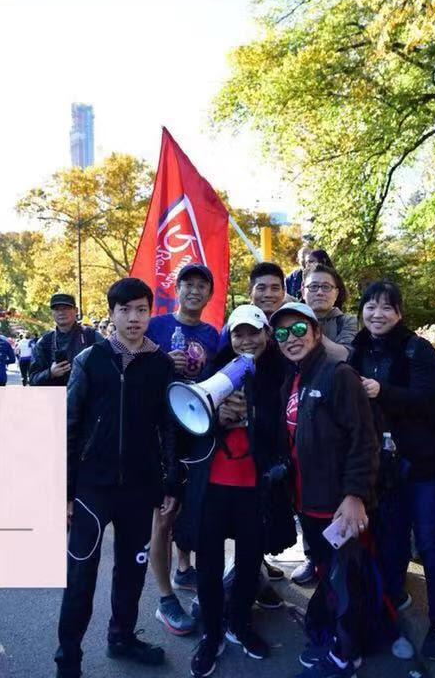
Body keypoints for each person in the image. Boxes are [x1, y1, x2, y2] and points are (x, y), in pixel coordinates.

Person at [56, 277, 180, 677]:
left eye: (141, 309)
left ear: (150, 313)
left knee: (131, 572)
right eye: (124, 310)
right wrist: (64, 491)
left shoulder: (160, 364)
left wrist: (170, 482)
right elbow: (70, 424)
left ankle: (122, 637)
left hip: (140, 489)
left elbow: (168, 428)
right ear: (111, 314)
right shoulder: (90, 360)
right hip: (93, 488)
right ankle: (68, 659)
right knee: (80, 578)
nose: (133, 318)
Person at [176, 305, 297, 675]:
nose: (246, 340)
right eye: (238, 334)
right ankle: (211, 634)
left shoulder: (282, 375)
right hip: (214, 485)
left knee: (248, 563)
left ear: (266, 335)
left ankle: (239, 624)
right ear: (230, 339)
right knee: (209, 565)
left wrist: (254, 414)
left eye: (253, 333)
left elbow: (286, 433)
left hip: (254, 488)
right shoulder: (216, 373)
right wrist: (219, 421)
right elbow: (188, 425)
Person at [350, 280, 435, 660]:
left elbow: (426, 400)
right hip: (384, 469)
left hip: (424, 464)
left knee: (433, 544)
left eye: (386, 307)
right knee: (392, 541)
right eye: (370, 306)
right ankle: (391, 610)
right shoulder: (359, 349)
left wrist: (381, 390)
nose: (377, 314)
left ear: (400, 313)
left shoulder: (418, 349)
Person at [272, 298, 379, 677]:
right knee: (331, 575)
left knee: (346, 580)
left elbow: (363, 440)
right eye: (282, 333)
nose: (291, 338)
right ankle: (333, 637)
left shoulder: (338, 375)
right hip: (310, 504)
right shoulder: (295, 378)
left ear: (317, 332)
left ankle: (345, 656)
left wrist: (355, 497)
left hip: (339, 505)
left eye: (299, 329)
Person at [147, 263, 222, 633]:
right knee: (164, 514)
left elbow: (221, 382)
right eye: (187, 284)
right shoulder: (155, 325)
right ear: (177, 289)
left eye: (201, 286)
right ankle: (165, 600)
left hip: (198, 433)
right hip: (162, 436)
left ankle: (183, 568)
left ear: (209, 294)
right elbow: (133, 369)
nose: (194, 291)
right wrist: (163, 364)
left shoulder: (214, 334)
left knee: (192, 506)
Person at [30, 292, 96, 387]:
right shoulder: (44, 342)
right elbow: (32, 380)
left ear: (76, 310)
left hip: (87, 398)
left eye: (66, 308)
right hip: (55, 398)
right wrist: (50, 373)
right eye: (57, 309)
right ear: (51, 313)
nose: (61, 312)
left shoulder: (91, 336)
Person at [303, 263, 358, 358]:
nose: (319, 292)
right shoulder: (292, 320)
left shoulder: (348, 322)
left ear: (336, 294)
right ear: (303, 291)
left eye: (326, 287)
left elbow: (345, 354)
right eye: (313, 286)